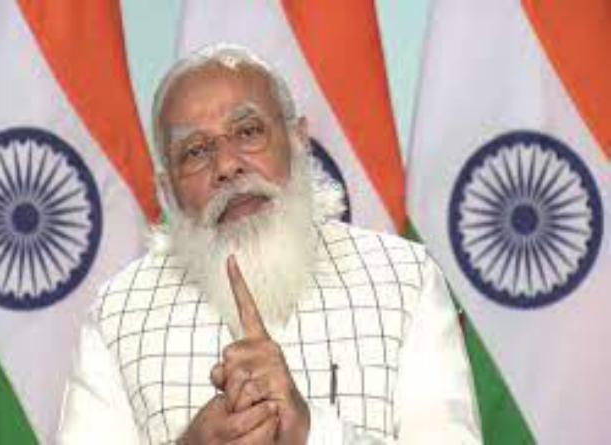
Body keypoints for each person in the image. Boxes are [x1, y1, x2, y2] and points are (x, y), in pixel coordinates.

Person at [58, 44, 481, 444]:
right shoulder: (118, 312)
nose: (227, 165)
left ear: (298, 141)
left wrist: (309, 431)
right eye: (195, 152)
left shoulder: (404, 277)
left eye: (247, 131)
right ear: (167, 189)